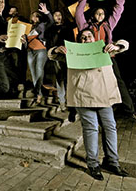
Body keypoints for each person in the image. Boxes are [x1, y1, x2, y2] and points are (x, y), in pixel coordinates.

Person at [48, 28, 129, 180]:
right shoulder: (72, 53)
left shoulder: (103, 48)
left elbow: (125, 44)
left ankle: (112, 162)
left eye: (89, 36)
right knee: (90, 128)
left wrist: (117, 46)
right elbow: (51, 55)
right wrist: (55, 49)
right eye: (83, 38)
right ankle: (93, 164)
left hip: (103, 96)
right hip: (83, 96)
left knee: (110, 127)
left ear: (94, 38)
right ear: (79, 41)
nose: (86, 39)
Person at [75, 0, 135, 119]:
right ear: (93, 14)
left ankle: (129, 109)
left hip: (106, 57)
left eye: (102, 14)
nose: (100, 16)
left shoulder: (108, 25)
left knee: (118, 81)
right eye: (97, 13)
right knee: (84, 82)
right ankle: (77, 110)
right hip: (90, 58)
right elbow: (78, 13)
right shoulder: (85, 26)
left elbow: (117, 11)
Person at [45, 10, 76, 110]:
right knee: (60, 78)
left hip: (68, 55)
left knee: (68, 78)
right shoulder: (50, 29)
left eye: (60, 15)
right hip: (56, 56)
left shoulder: (67, 27)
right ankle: (62, 100)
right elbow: (49, 42)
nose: (58, 17)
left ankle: (69, 100)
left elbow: (72, 40)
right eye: (56, 15)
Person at [26, 3, 54, 104]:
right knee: (33, 74)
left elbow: (51, 21)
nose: (34, 17)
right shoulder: (28, 27)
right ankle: (39, 95)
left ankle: (37, 92)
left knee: (39, 70)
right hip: (30, 51)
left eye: (36, 15)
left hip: (40, 50)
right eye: (33, 15)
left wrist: (46, 12)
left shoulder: (42, 25)